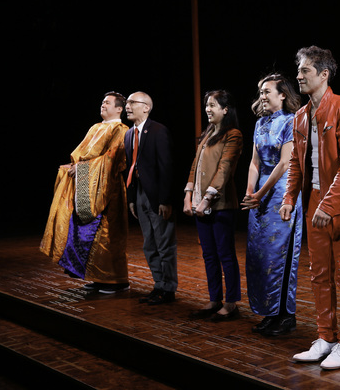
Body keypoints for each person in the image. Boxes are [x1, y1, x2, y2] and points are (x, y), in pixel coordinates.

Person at [280, 46, 340, 370]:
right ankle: (326, 338)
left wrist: (329, 205)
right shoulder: (301, 116)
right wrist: (290, 198)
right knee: (319, 275)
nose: (299, 76)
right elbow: (295, 163)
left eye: (305, 71)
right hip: (316, 200)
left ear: (323, 74)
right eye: (299, 70)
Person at [40, 91, 130, 294]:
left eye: (107, 103)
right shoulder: (95, 127)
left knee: (106, 235)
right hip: (87, 186)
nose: (103, 105)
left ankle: (115, 281)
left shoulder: (121, 129)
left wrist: (80, 169)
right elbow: (81, 155)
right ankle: (97, 277)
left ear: (119, 108)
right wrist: (74, 167)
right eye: (102, 102)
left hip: (108, 189)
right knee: (85, 233)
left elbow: (112, 159)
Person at [241, 74, 303, 336]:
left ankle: (286, 316)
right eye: (261, 92)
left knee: (281, 256)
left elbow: (284, 163)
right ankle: (269, 312)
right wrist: (249, 192)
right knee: (260, 256)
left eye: (267, 91)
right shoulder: (260, 123)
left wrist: (261, 193)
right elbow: (255, 162)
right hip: (260, 195)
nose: (262, 96)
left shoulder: (291, 122)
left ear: (283, 95)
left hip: (281, 192)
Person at [184, 90, 243, 322]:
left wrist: (208, 198)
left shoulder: (233, 134)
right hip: (199, 202)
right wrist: (188, 195)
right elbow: (194, 167)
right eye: (206, 105)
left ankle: (231, 303)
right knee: (208, 254)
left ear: (225, 109)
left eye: (213, 105)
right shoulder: (208, 133)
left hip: (221, 205)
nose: (208, 109)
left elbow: (225, 169)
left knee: (225, 254)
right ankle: (214, 298)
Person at [124, 91, 177, 305]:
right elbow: (130, 167)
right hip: (139, 195)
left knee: (164, 244)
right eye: (127, 103)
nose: (127, 106)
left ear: (146, 107)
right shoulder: (129, 134)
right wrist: (131, 198)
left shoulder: (158, 130)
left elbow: (167, 167)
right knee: (149, 244)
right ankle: (159, 285)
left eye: (132, 103)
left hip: (157, 196)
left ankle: (169, 288)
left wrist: (165, 199)